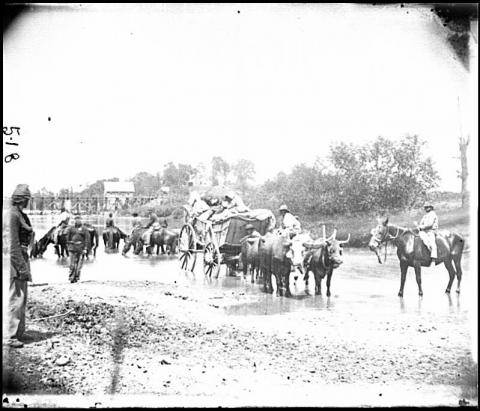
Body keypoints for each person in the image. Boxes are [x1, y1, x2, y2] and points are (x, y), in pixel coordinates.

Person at [5, 184, 34, 348]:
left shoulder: (20, 215)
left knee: (21, 296)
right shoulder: (13, 216)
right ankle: (11, 335)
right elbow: (13, 245)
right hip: (15, 260)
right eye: (27, 199)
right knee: (16, 297)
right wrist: (22, 268)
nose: (29, 202)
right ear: (22, 199)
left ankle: (19, 332)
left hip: (21, 257)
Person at [66, 215, 91, 283]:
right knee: (72, 263)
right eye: (76, 219)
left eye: (79, 219)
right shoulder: (71, 228)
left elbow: (87, 239)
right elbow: (67, 238)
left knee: (79, 264)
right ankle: (71, 277)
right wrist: (68, 245)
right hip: (72, 248)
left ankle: (76, 276)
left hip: (81, 248)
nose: (77, 221)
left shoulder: (84, 229)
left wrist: (85, 248)